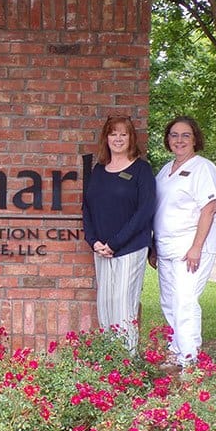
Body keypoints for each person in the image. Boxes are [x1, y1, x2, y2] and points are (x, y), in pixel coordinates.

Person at [82, 115, 155, 355]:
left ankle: (126, 367)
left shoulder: (141, 170)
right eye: (113, 133)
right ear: (106, 138)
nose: (118, 138)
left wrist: (114, 243)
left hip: (129, 248)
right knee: (105, 307)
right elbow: (87, 208)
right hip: (101, 250)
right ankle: (109, 363)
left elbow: (144, 211)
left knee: (123, 308)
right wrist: (93, 242)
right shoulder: (99, 171)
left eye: (123, 134)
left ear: (131, 138)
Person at [151, 116, 216, 367]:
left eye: (185, 135)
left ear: (195, 139)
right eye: (174, 135)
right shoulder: (164, 170)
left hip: (191, 247)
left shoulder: (203, 168)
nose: (179, 140)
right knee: (169, 302)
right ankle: (176, 350)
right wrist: (155, 247)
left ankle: (189, 358)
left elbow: (209, 208)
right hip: (167, 247)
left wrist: (196, 247)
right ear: (168, 140)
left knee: (185, 301)